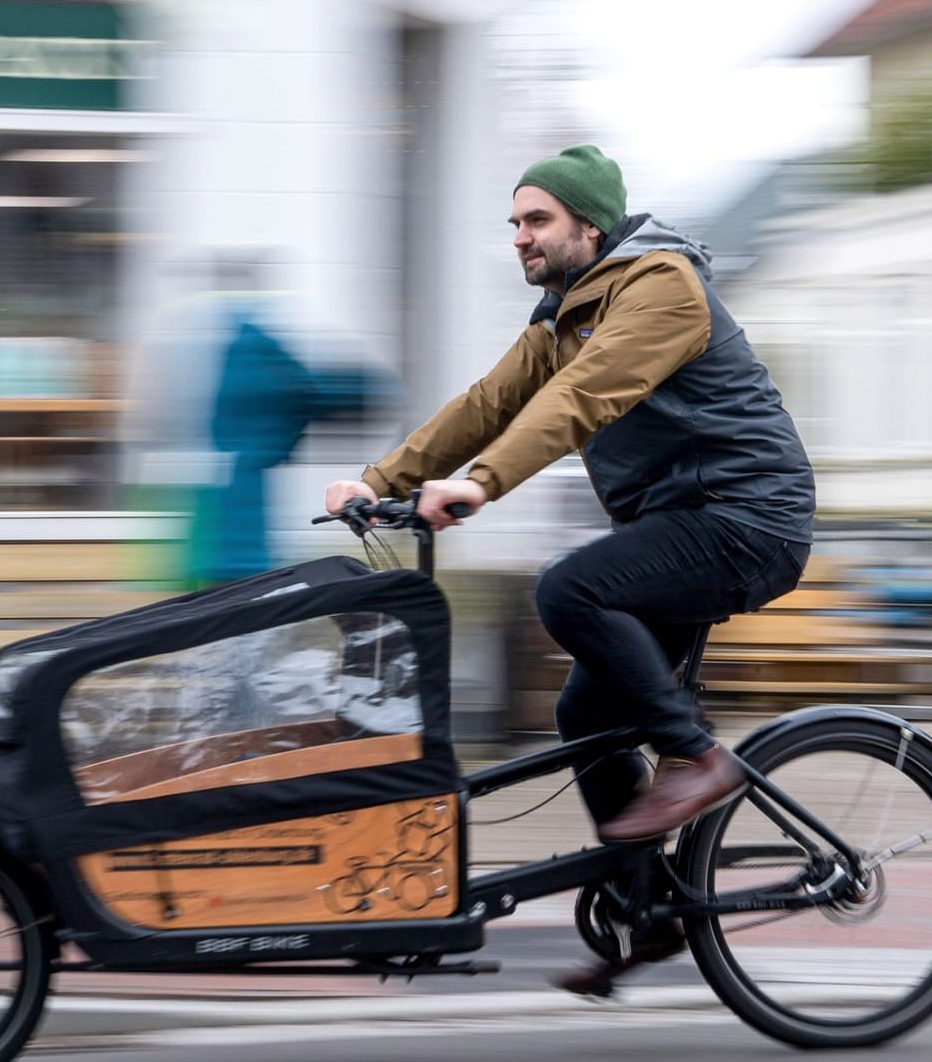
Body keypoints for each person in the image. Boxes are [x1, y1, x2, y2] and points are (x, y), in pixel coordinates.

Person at [323, 145, 815, 992]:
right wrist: (378, 482)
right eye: (514, 223)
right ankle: (650, 903)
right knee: (586, 707)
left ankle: (696, 761)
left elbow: (581, 397)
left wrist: (480, 484)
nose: (520, 237)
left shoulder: (662, 287)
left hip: (746, 518)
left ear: (590, 224)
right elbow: (488, 403)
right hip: (681, 523)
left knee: (570, 586)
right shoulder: (562, 314)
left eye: (537, 219)